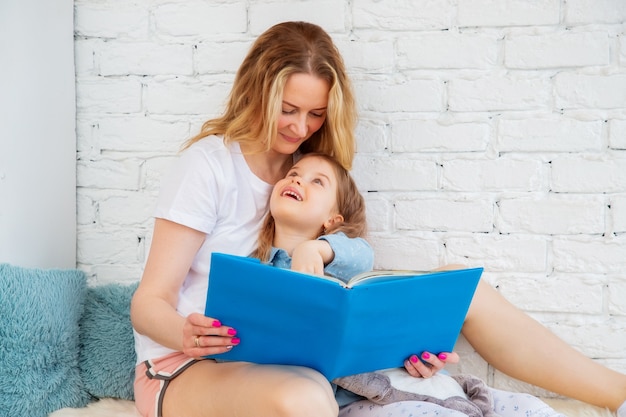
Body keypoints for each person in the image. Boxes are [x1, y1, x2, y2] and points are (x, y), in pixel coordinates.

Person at [129, 20, 626, 417]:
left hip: (294, 360)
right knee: (302, 397)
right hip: (189, 366)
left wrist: (408, 350)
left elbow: (345, 284)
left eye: (316, 114)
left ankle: (617, 393)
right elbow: (148, 303)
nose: (300, 128)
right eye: (288, 109)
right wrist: (186, 335)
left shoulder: (314, 173)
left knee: (466, 293)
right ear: (256, 91)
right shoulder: (210, 165)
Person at [252, 151, 568, 417]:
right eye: (293, 173)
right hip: (351, 402)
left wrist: (315, 248)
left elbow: (360, 254)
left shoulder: (343, 252)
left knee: (524, 407)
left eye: (316, 181)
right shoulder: (257, 271)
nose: (296, 180)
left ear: (332, 220)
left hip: (402, 377)